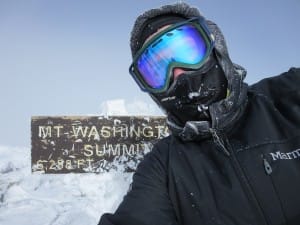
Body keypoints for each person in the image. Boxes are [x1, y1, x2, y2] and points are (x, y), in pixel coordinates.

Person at [99, 2, 300, 225]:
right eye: (157, 69)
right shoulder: (164, 168)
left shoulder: (289, 95)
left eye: (186, 50)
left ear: (215, 46)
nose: (177, 72)